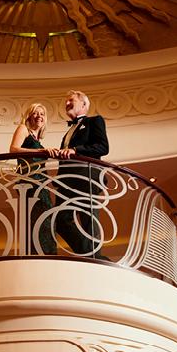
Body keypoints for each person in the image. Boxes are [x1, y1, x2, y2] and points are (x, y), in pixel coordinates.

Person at [54, 90, 110, 259]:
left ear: (84, 104)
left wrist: (75, 150)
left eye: (71, 100)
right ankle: (93, 256)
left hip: (86, 176)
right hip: (65, 182)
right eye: (66, 101)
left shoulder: (94, 121)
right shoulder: (67, 133)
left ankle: (93, 259)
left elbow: (103, 147)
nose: (67, 104)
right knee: (60, 221)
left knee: (88, 220)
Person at [9, 103, 59, 255]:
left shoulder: (37, 138)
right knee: (37, 216)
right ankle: (37, 253)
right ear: (29, 116)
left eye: (42, 114)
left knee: (46, 216)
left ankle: (46, 253)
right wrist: (41, 151)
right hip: (30, 181)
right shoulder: (24, 129)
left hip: (41, 182)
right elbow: (13, 149)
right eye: (36, 113)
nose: (39, 116)